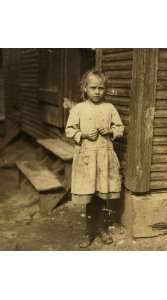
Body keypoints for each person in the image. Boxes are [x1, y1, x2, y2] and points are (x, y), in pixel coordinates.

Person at [65, 69, 124, 248]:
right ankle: (89, 231)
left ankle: (102, 229)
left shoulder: (109, 108)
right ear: (85, 88)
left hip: (104, 158)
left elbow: (120, 127)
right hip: (87, 159)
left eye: (101, 88)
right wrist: (82, 134)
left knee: (102, 196)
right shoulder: (78, 109)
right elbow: (69, 130)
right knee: (90, 198)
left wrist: (112, 131)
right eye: (93, 88)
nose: (97, 91)